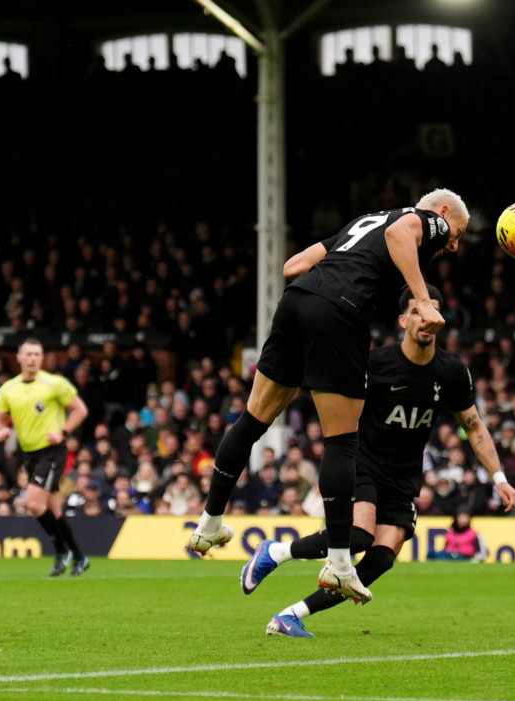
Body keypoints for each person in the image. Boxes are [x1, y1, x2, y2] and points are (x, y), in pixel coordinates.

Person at [187, 189, 469, 604]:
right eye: (458, 233)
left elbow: (293, 266)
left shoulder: (361, 223)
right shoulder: (427, 219)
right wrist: (423, 300)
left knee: (252, 419)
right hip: (341, 313)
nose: (454, 243)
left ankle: (210, 522)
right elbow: (399, 236)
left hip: (298, 300)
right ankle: (339, 564)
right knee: (342, 441)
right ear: (443, 212)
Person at [239, 285, 515, 637]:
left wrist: (499, 478)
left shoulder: (451, 372)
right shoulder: (375, 365)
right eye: (417, 310)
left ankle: (290, 616)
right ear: (403, 320)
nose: (425, 317)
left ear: (440, 320)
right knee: (357, 536)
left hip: (403, 478)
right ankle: (275, 551)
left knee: (383, 557)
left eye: (432, 310)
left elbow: (474, 427)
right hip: (362, 462)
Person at [0, 339, 90, 576]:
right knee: (54, 512)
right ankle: (79, 557)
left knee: (34, 503)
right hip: (29, 453)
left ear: (42, 358)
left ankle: (60, 551)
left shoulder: (54, 384)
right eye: (28, 354)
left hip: (52, 450)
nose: (33, 358)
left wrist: (63, 432)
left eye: (37, 354)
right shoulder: (8, 389)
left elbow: (80, 410)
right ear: (19, 358)